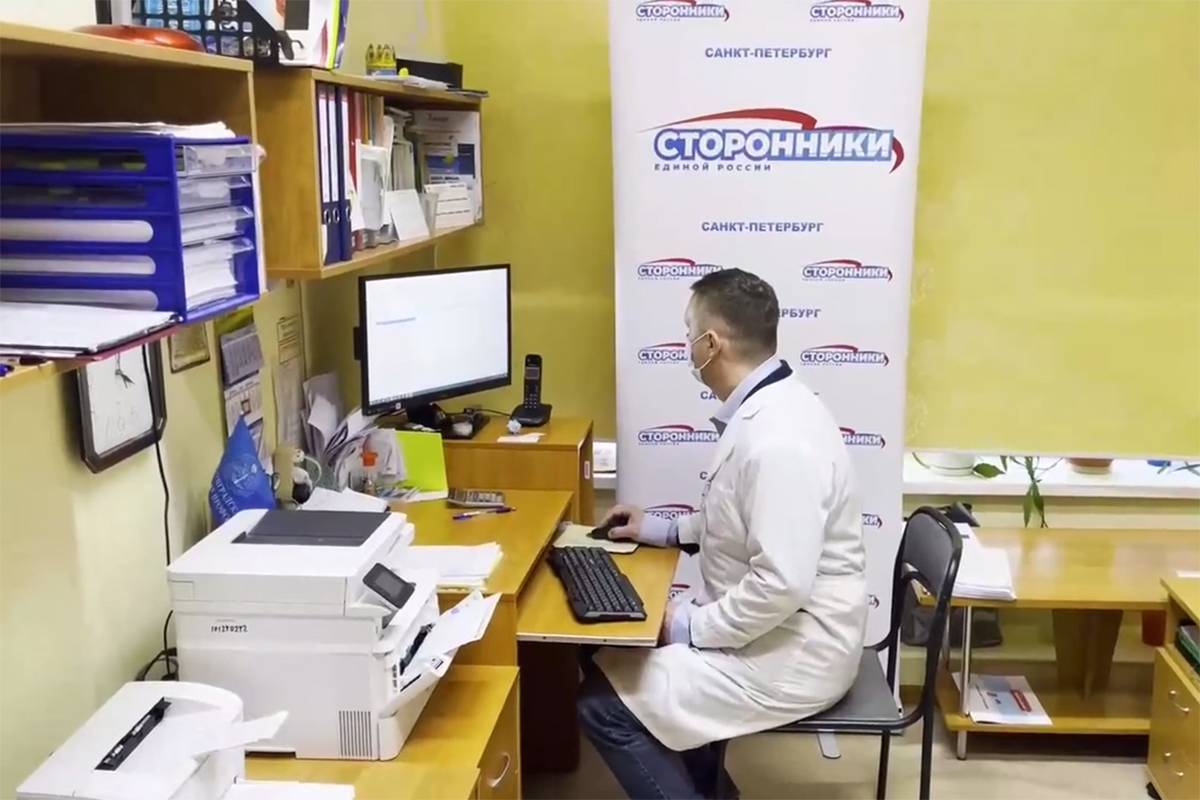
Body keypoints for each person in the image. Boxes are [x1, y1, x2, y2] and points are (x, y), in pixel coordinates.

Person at [578, 268, 868, 799]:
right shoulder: (772, 406)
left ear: (711, 344)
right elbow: (737, 520)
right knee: (605, 658)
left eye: (690, 335)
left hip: (793, 654)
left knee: (602, 708)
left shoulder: (779, 441)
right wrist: (661, 529)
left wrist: (685, 626)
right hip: (774, 632)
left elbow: (781, 584)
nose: (687, 347)